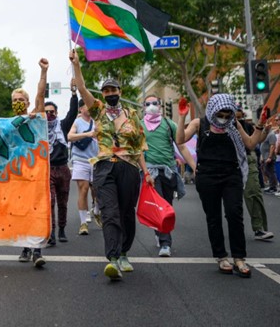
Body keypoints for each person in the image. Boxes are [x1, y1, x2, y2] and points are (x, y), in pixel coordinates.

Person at [70, 51, 153, 281]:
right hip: (105, 166)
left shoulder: (133, 115)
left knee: (126, 213)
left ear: (120, 92)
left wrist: (146, 173)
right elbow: (84, 89)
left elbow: (139, 147)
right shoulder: (98, 110)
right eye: (106, 91)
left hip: (129, 167)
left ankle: (125, 253)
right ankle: (113, 259)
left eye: (113, 90)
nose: (109, 94)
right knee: (110, 212)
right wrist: (77, 66)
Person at [176, 94, 262, 278]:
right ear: (213, 110)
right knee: (213, 217)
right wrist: (182, 116)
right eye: (221, 113)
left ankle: (239, 257)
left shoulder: (234, 125)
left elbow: (251, 143)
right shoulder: (200, 123)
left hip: (231, 174)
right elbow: (180, 140)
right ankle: (221, 256)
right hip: (207, 175)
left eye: (227, 113)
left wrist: (260, 126)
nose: (224, 116)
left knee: (234, 213)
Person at [141, 95, 195, 258]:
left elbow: (182, 146)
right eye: (147, 104)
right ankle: (165, 243)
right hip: (152, 173)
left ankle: (160, 233)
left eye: (154, 103)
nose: (151, 106)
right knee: (160, 206)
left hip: (169, 171)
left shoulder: (168, 124)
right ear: (143, 107)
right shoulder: (139, 126)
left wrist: (194, 166)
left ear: (160, 106)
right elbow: (137, 150)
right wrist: (145, 172)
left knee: (168, 205)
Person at [15, 58, 48, 268]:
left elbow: (40, 96)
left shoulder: (34, 118)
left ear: (26, 103)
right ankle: (25, 247)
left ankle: (37, 251)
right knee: (21, 212)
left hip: (36, 173)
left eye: (20, 99)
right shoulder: (6, 124)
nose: (17, 102)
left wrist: (43, 73)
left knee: (37, 211)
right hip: (16, 175)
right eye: (14, 99)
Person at [44, 76, 77, 246]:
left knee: (62, 202)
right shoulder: (39, 129)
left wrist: (73, 93)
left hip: (63, 169)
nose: (49, 115)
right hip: (47, 170)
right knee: (50, 202)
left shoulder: (63, 126)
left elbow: (73, 112)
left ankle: (62, 229)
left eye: (52, 112)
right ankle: (52, 233)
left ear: (56, 113)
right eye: (46, 112)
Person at [236, 107, 274, 241]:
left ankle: (259, 229)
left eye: (240, 116)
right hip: (227, 162)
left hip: (247, 160)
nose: (237, 118)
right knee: (230, 199)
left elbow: (257, 140)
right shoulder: (218, 126)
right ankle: (230, 228)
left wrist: (264, 130)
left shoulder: (247, 126)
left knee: (254, 193)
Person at [67, 98, 99, 236]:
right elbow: (70, 136)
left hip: (97, 160)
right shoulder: (77, 122)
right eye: (86, 105)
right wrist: (88, 134)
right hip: (80, 160)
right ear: (81, 109)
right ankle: (83, 223)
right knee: (83, 188)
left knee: (97, 189)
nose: (90, 107)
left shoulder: (98, 120)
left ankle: (96, 210)